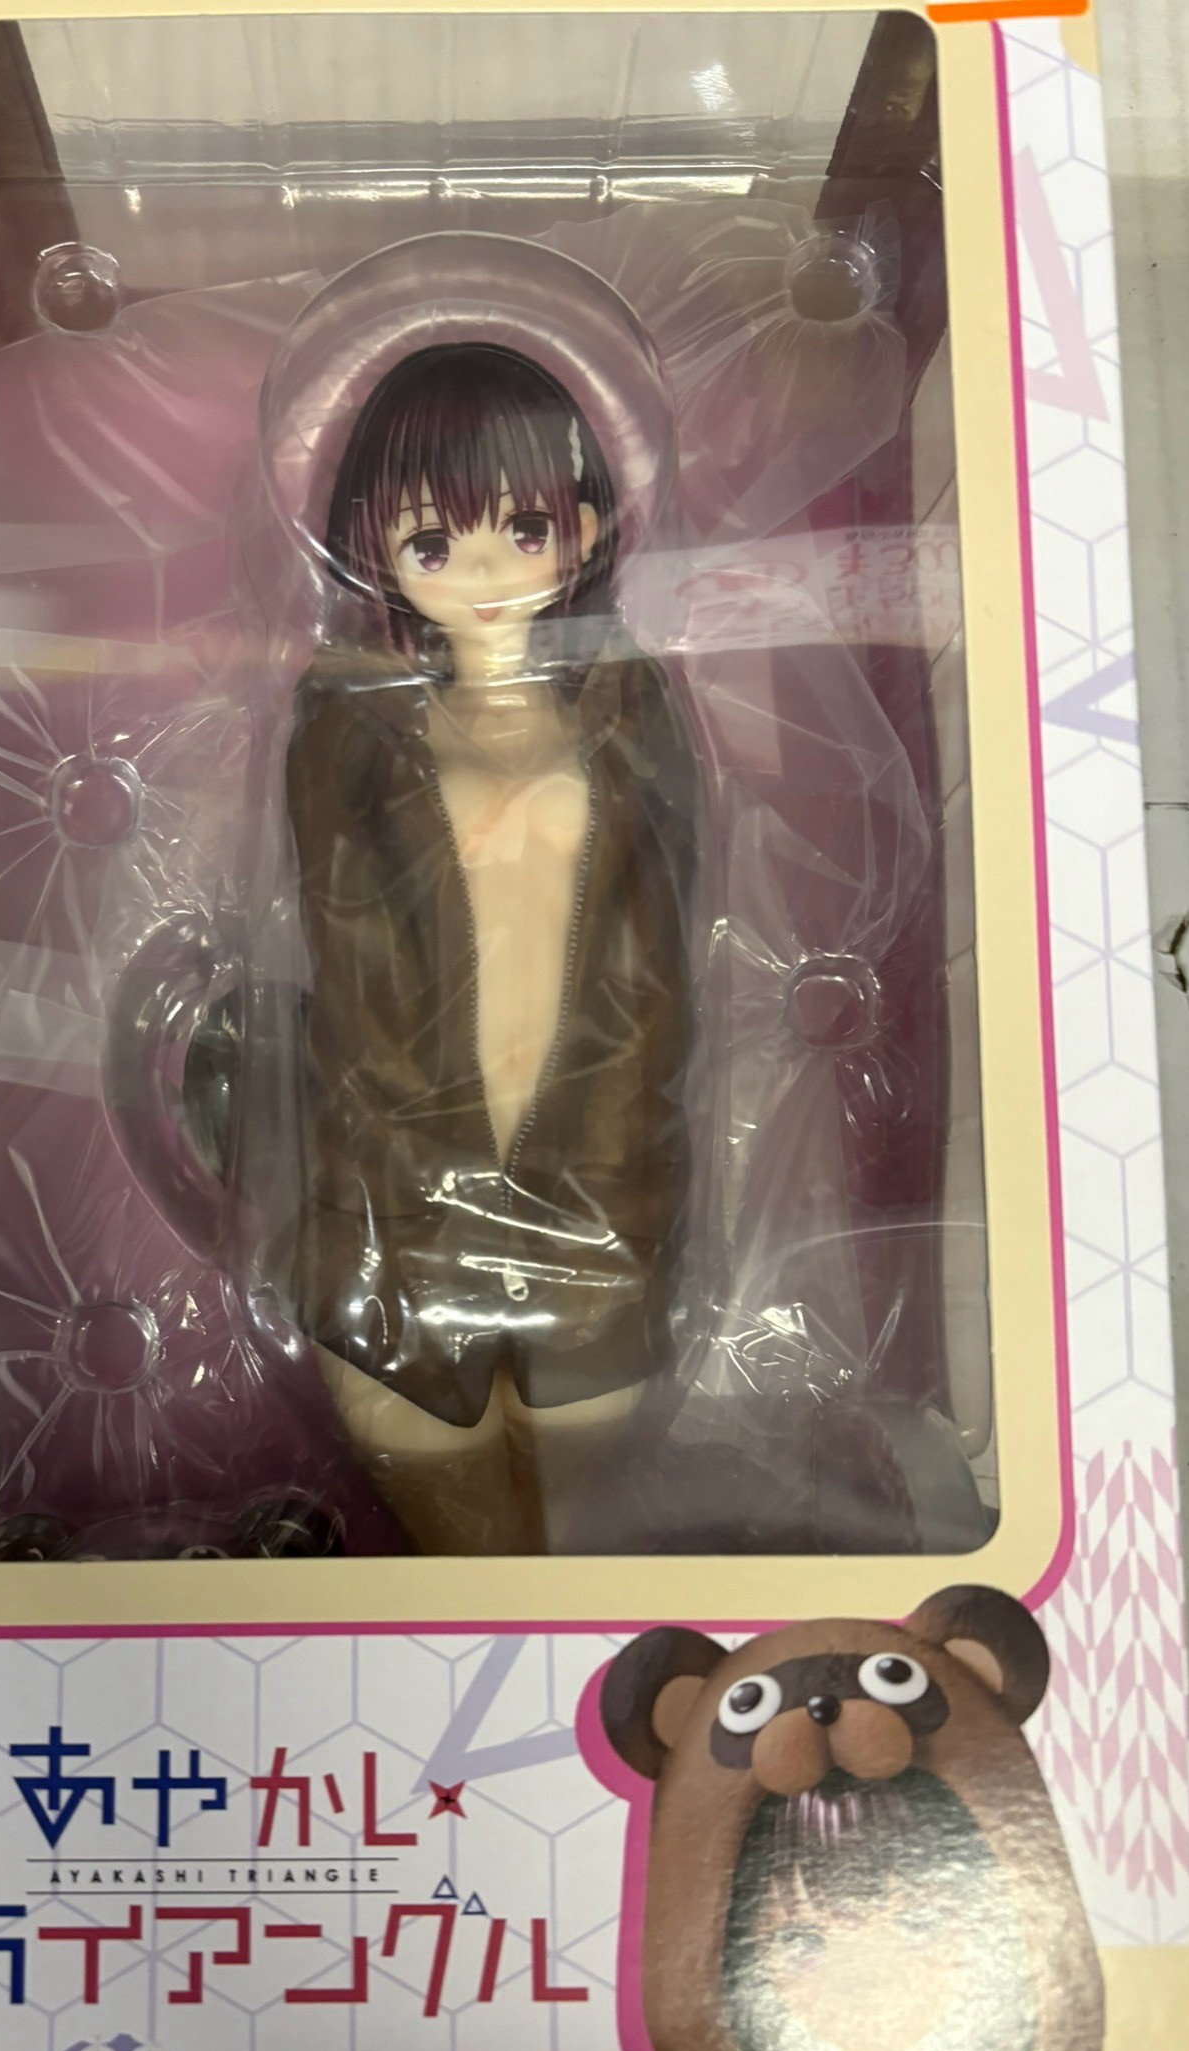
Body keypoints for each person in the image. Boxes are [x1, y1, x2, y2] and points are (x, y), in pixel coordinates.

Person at [282, 341, 702, 1553]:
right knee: (465, 1567)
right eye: (430, 542)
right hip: (399, 1227)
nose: (479, 571)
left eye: (522, 529)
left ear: (583, 528)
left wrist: (634, 1186)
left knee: (573, 1559)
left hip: (600, 1206)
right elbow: (348, 986)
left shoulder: (632, 713)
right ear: (372, 550)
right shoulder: (351, 727)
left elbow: (662, 978)